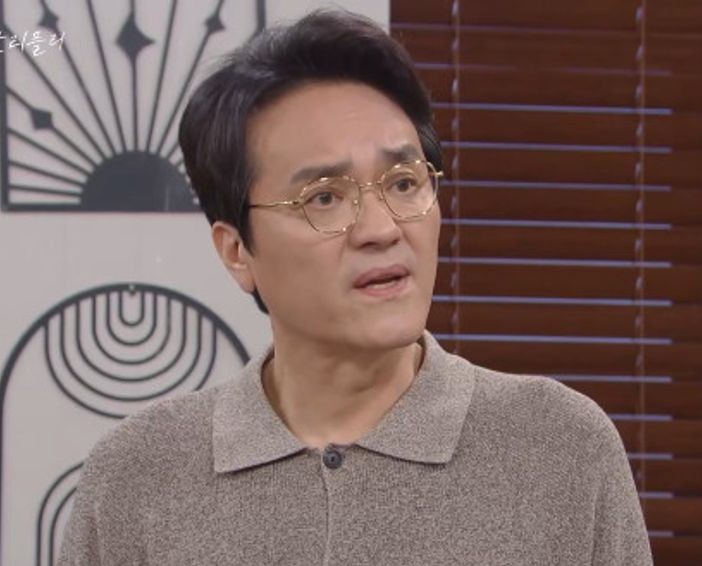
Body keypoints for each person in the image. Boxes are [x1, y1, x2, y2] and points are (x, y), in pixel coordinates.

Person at [58, 9, 653, 565]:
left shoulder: (560, 448)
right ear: (237, 251)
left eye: (404, 183)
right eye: (324, 198)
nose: (382, 229)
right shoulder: (137, 477)